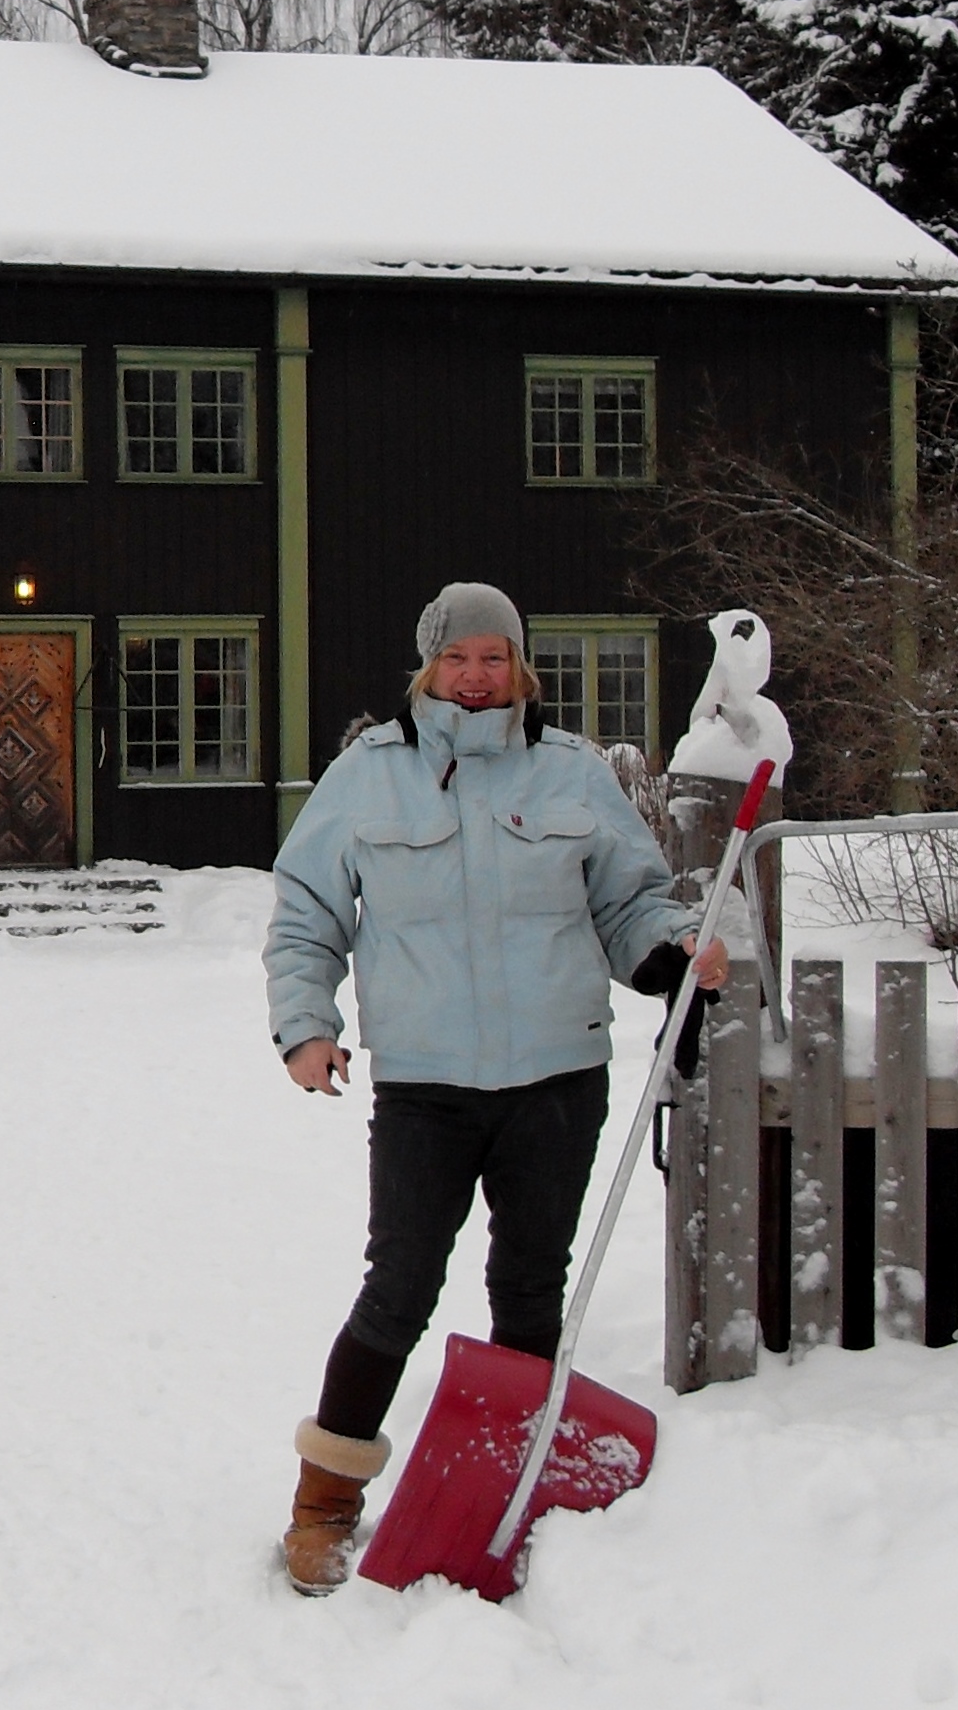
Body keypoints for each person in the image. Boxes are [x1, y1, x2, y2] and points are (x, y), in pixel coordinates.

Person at [262, 581, 726, 1596]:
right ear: (426, 667)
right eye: (458, 658)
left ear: (520, 667)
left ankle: (506, 1491)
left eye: (495, 657)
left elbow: (630, 903)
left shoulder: (569, 775)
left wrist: (672, 953)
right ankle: (322, 1503)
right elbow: (304, 911)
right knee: (399, 1287)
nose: (478, 677)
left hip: (555, 1076)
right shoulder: (366, 777)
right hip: (427, 1084)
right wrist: (305, 1026)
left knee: (527, 1289)